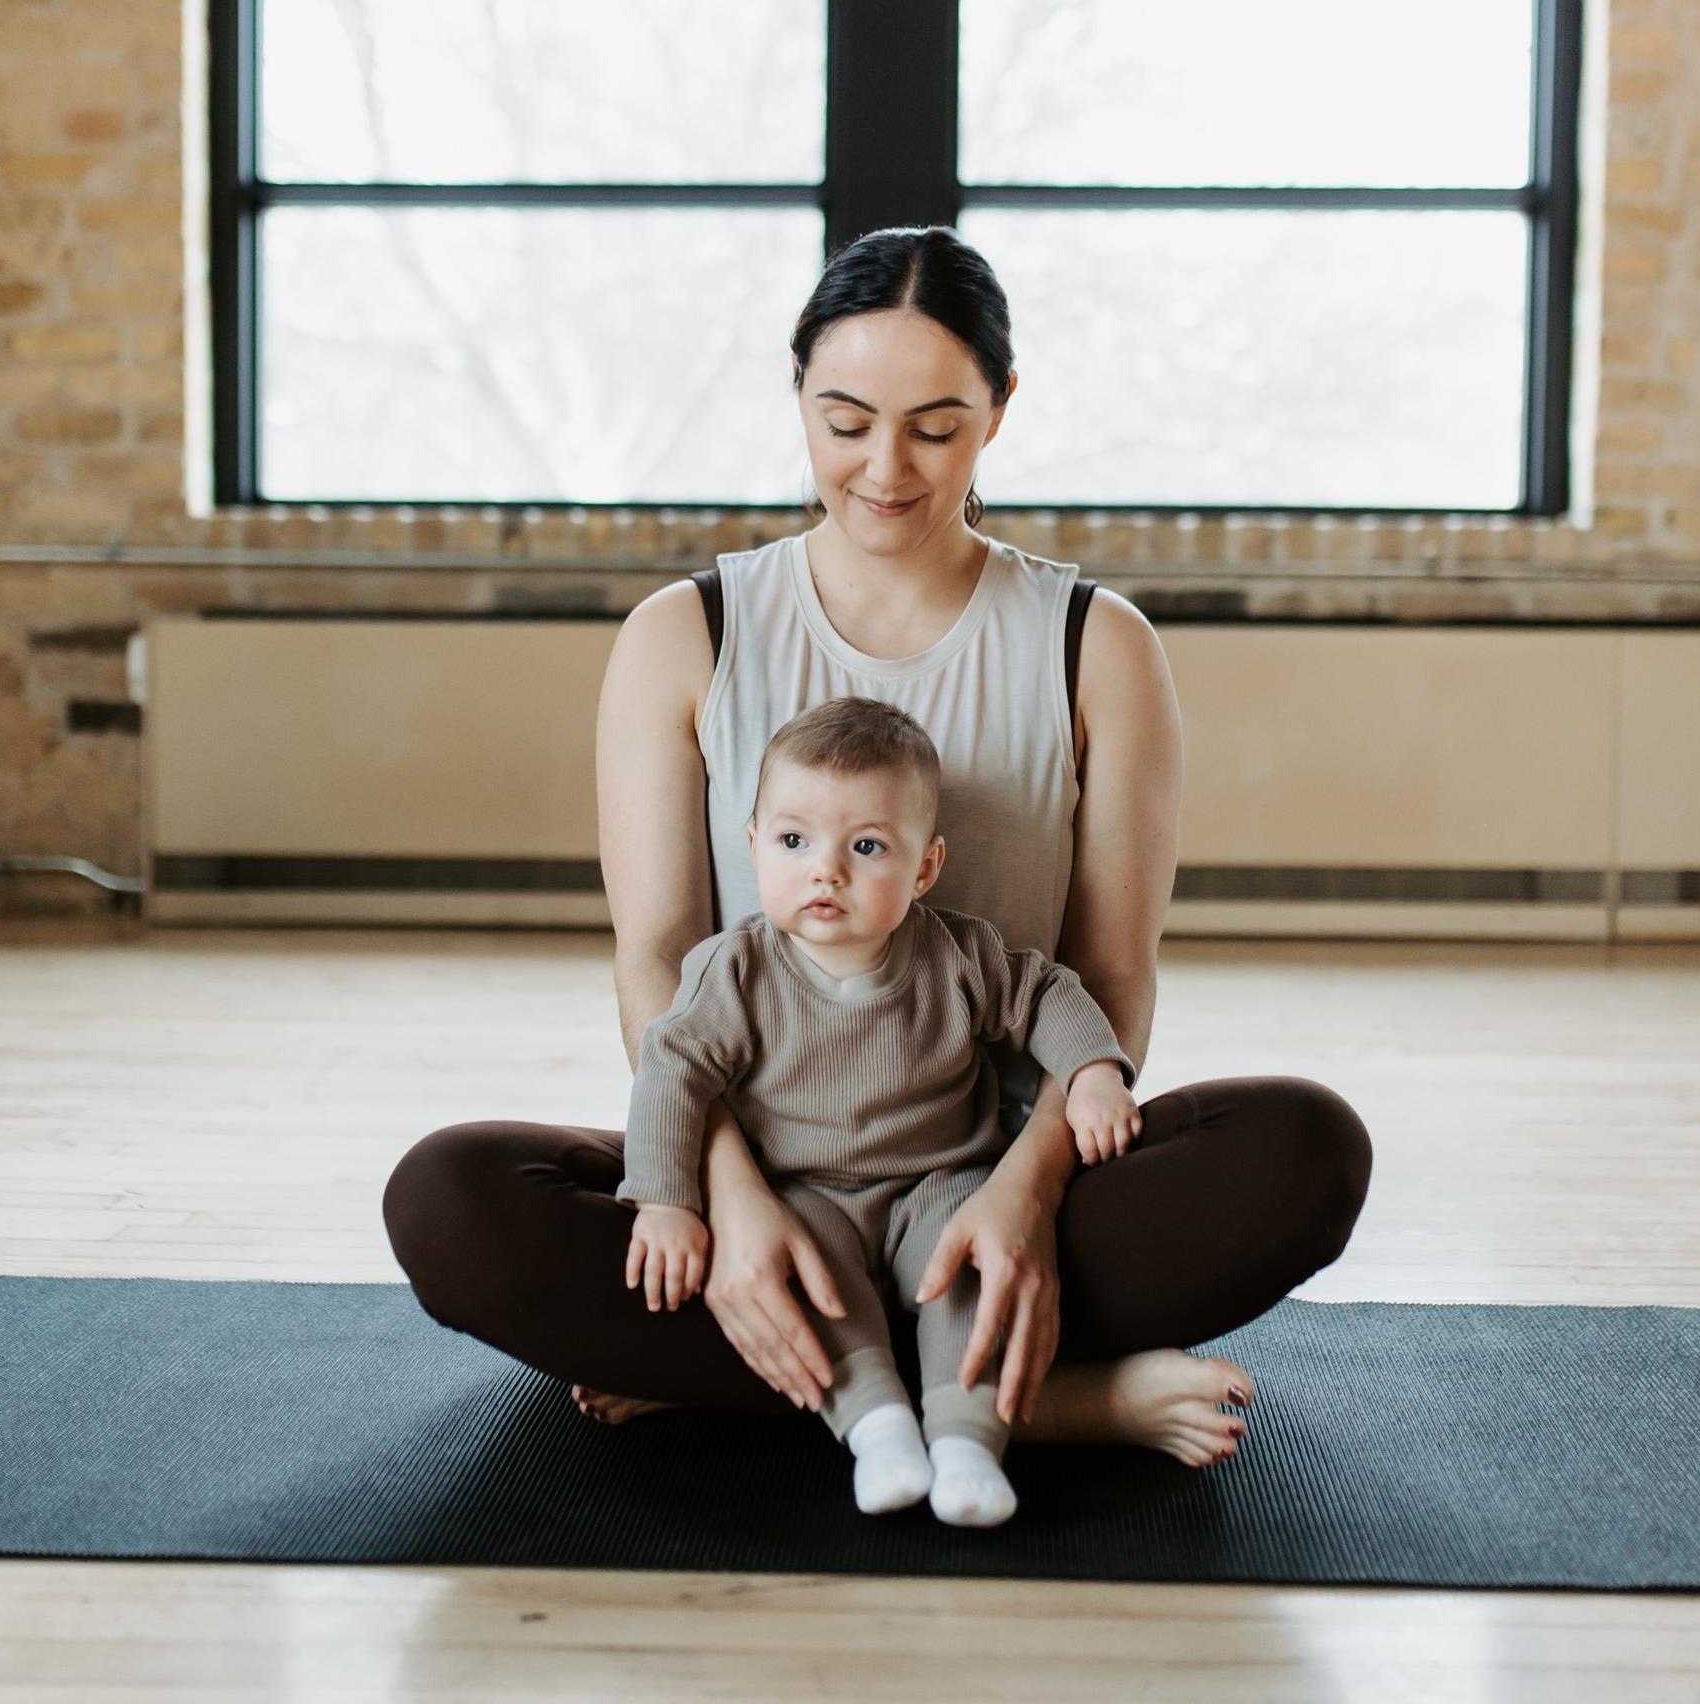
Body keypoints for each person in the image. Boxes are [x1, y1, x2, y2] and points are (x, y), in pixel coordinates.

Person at [382, 224, 1374, 1478]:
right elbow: (658, 961)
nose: (885, 469)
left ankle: (749, 1381)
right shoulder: (683, 634)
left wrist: (1026, 1189)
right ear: (797, 396)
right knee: (450, 1198)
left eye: (936, 426)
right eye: (844, 421)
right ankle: (1058, 1402)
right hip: (763, 1167)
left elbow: (1109, 976)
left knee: (1306, 1146)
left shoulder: (1095, 642)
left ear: (1001, 411)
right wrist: (726, 1203)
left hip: (1000, 1174)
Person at [617, 694, 1144, 1526]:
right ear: (753, 846)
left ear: (925, 868)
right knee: (809, 1292)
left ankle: (969, 1444)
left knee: (967, 1276)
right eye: (794, 842)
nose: (826, 870)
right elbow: (670, 1073)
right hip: (800, 1194)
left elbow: (1048, 995)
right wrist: (666, 1202)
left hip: (941, 1181)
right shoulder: (736, 969)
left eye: (866, 847)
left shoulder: (957, 953)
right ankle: (879, 1429)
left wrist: (1092, 1074)